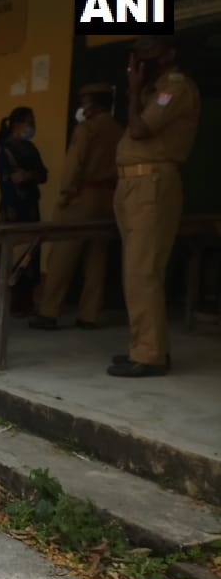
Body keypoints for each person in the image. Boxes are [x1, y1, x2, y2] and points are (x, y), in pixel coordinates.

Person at [108, 36, 200, 378]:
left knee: (142, 270)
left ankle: (149, 354)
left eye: (150, 50)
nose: (142, 57)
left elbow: (141, 128)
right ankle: (144, 346)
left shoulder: (174, 88)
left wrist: (134, 89)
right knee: (135, 270)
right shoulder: (153, 89)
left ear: (170, 53)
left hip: (153, 184)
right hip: (134, 185)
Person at [30, 85, 123, 330]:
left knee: (62, 255)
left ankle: (50, 311)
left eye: (84, 101)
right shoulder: (119, 130)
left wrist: (64, 196)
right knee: (97, 257)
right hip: (108, 197)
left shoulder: (86, 129)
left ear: (93, 104)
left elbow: (74, 166)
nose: (82, 106)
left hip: (82, 196)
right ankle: (89, 314)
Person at [0, 106, 48, 316]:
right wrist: (10, 206)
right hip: (12, 206)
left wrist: (29, 176)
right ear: (17, 123)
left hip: (31, 206)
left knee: (31, 252)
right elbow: (5, 181)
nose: (32, 125)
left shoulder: (31, 148)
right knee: (12, 255)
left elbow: (43, 175)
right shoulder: (5, 150)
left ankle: (26, 300)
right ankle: (10, 300)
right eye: (29, 121)